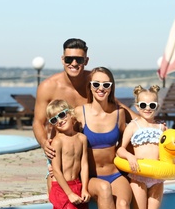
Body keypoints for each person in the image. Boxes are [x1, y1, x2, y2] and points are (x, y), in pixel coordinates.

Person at [32, 38, 137, 191]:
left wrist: (149, 122)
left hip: (88, 154)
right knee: (60, 200)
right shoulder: (48, 87)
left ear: (86, 60)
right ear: (62, 60)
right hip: (62, 152)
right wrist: (44, 143)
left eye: (79, 59)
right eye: (69, 59)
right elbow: (38, 122)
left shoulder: (94, 82)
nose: (74, 63)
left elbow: (118, 107)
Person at [74, 67, 134, 209]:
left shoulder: (119, 113)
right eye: (96, 84)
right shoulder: (80, 113)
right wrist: (53, 168)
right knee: (104, 188)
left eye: (106, 84)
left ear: (111, 87)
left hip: (115, 174)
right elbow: (65, 141)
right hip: (92, 178)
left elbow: (130, 139)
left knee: (122, 204)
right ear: (90, 86)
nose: (101, 88)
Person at [116, 85, 175, 209]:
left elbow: (168, 150)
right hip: (139, 176)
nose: (147, 108)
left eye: (152, 105)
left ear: (157, 106)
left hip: (157, 178)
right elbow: (120, 149)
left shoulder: (162, 127)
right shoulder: (133, 126)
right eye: (143, 105)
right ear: (137, 107)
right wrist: (129, 156)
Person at [46, 99, 91, 209]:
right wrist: (69, 194)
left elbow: (84, 165)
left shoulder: (82, 139)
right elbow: (56, 170)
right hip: (61, 189)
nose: (60, 120)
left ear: (70, 113)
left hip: (77, 185)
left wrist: (85, 188)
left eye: (62, 115)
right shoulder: (57, 141)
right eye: (54, 120)